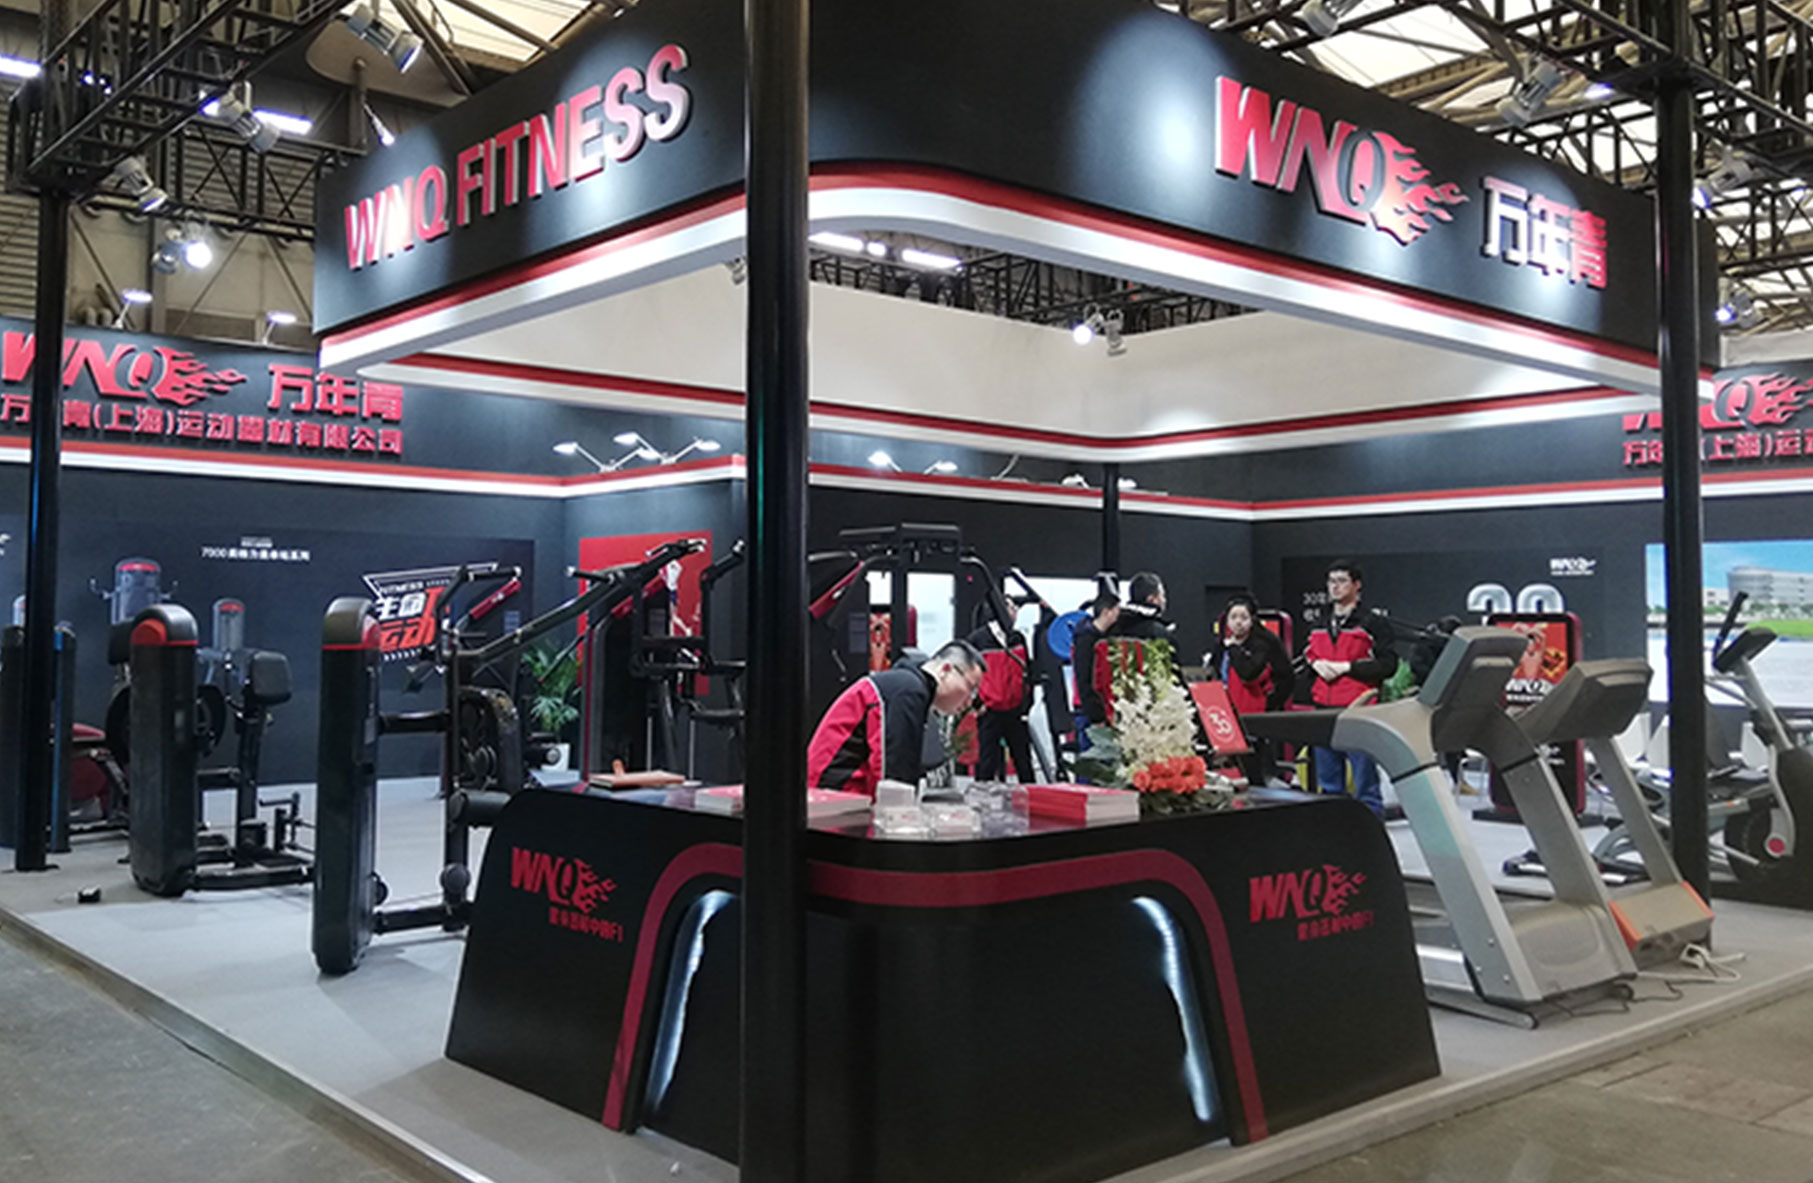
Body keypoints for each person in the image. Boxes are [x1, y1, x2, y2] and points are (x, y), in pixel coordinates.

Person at [807, 639, 985, 796]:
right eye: (971, 688)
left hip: (833, 791)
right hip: (833, 796)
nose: (970, 701)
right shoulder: (908, 691)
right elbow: (893, 778)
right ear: (946, 670)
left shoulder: (906, 685)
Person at [1302, 561, 1395, 817]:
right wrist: (1315, 664)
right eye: (1331, 581)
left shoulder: (1372, 623)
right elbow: (1308, 653)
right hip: (1323, 709)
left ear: (1356, 585)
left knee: (1365, 782)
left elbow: (1388, 665)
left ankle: (1372, 830)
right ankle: (1336, 831)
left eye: (1342, 581)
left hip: (1358, 709)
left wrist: (1348, 668)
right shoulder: (1319, 621)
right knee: (1329, 783)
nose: (1335, 587)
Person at [1206, 594, 1294, 783]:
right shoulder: (1223, 644)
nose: (1238, 622)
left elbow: (1249, 674)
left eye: (1243, 617)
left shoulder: (1264, 644)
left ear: (1252, 620)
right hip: (1225, 715)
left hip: (1254, 714)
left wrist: (1269, 705)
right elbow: (1214, 671)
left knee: (1254, 768)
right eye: (1233, 617)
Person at [966, 616, 1035, 782]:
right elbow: (966, 673)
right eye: (1010, 608)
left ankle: (1031, 793)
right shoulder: (978, 639)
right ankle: (983, 794)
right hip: (990, 709)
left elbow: (1027, 671)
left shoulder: (1017, 637)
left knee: (1024, 761)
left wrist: (1027, 703)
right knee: (987, 761)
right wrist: (977, 703)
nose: (1014, 613)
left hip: (1015, 708)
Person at [1070, 586, 1121, 738]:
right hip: (1088, 713)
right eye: (1117, 610)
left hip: (1103, 709)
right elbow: (1084, 679)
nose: (1119, 615)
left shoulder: (1102, 638)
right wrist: (1096, 716)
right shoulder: (1085, 641)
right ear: (1106, 612)